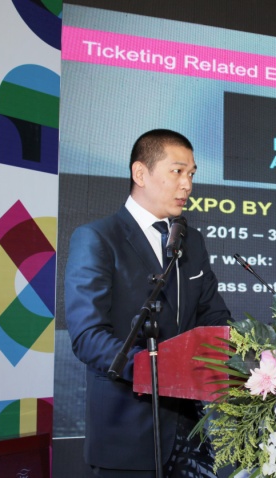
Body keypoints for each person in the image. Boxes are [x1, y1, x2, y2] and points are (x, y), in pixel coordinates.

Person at [64, 129, 231, 477]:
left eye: (192, 174)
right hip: (126, 436)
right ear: (140, 173)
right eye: (178, 171)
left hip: (191, 436)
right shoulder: (98, 238)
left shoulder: (192, 241)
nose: (187, 185)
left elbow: (214, 316)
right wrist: (155, 369)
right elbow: (88, 336)